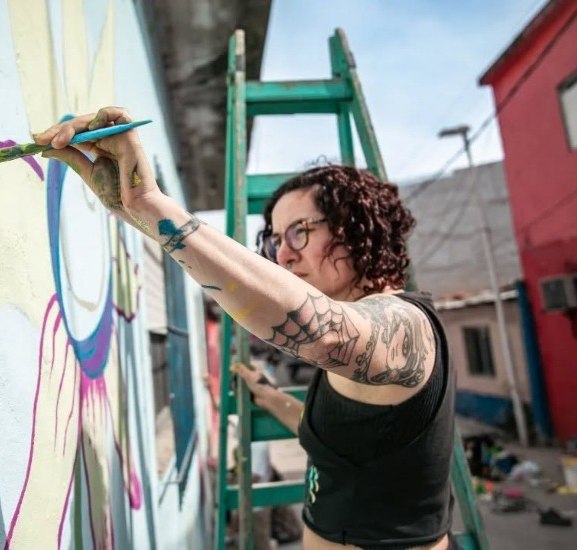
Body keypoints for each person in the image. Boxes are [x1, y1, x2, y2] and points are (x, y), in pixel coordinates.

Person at [35, 107, 456, 550]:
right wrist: (270, 397)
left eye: (300, 232)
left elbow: (326, 334)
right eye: (276, 240)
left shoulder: (407, 325)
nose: (284, 255)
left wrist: (152, 205)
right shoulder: (363, 352)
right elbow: (344, 441)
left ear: (355, 228)